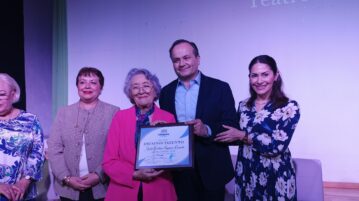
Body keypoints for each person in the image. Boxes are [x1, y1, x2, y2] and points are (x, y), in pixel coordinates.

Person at [159, 39, 238, 201]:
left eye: (186, 57)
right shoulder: (166, 92)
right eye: (176, 60)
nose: (182, 63)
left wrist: (207, 130)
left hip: (212, 170)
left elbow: (232, 125)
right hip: (179, 172)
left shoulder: (220, 88)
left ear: (198, 59)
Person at [215, 55, 301, 201]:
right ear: (249, 78)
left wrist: (243, 135)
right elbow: (234, 136)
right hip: (246, 175)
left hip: (276, 177)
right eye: (254, 76)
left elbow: (276, 147)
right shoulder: (243, 106)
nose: (259, 81)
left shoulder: (289, 107)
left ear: (276, 76)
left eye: (265, 74)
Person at [102, 68, 177, 201]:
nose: (141, 91)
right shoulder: (120, 117)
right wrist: (134, 173)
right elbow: (109, 162)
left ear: (155, 91)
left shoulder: (168, 118)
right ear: (130, 93)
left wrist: (161, 134)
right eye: (135, 87)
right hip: (123, 191)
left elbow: (174, 159)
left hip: (159, 189)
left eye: (146, 86)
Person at [47, 67, 119, 201]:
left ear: (101, 87)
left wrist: (99, 175)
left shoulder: (113, 112)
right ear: (77, 86)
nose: (87, 86)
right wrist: (66, 178)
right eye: (82, 82)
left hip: (102, 187)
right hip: (68, 188)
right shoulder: (64, 113)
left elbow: (117, 151)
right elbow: (54, 148)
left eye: (93, 82)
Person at [0, 73, 45, 201]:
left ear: (13, 94)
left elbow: (37, 154)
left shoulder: (30, 120)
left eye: (1, 94)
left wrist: (24, 182)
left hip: (23, 193)